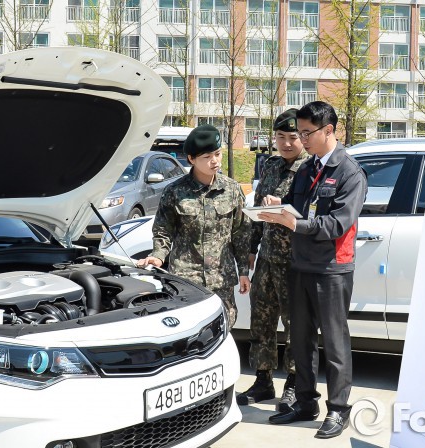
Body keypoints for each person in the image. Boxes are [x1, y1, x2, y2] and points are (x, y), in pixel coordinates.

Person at [260, 101, 367, 439]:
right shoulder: (308, 169)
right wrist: (279, 207)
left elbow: (337, 223)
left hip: (332, 268)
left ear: (329, 130)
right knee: (301, 340)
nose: (302, 140)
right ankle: (306, 402)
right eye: (300, 133)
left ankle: (339, 408)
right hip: (300, 264)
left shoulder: (349, 172)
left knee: (335, 343)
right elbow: (299, 207)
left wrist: (295, 223)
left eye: (307, 133)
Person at [138, 124, 251, 329]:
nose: (214, 161)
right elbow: (163, 230)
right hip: (186, 279)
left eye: (217, 154)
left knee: (224, 326)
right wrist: (158, 255)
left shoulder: (232, 190)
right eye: (207, 157)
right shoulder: (175, 191)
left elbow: (241, 233)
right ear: (191, 159)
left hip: (221, 279)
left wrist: (243, 271)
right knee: (187, 330)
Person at [236, 109, 309, 411]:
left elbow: (312, 212)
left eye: (293, 137)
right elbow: (256, 211)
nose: (287, 144)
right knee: (261, 320)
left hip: (296, 260)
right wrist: (251, 249)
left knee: (295, 325)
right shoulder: (270, 166)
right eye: (281, 137)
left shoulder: (310, 169)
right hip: (267, 258)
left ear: (303, 137)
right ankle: (263, 379)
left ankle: (294, 383)